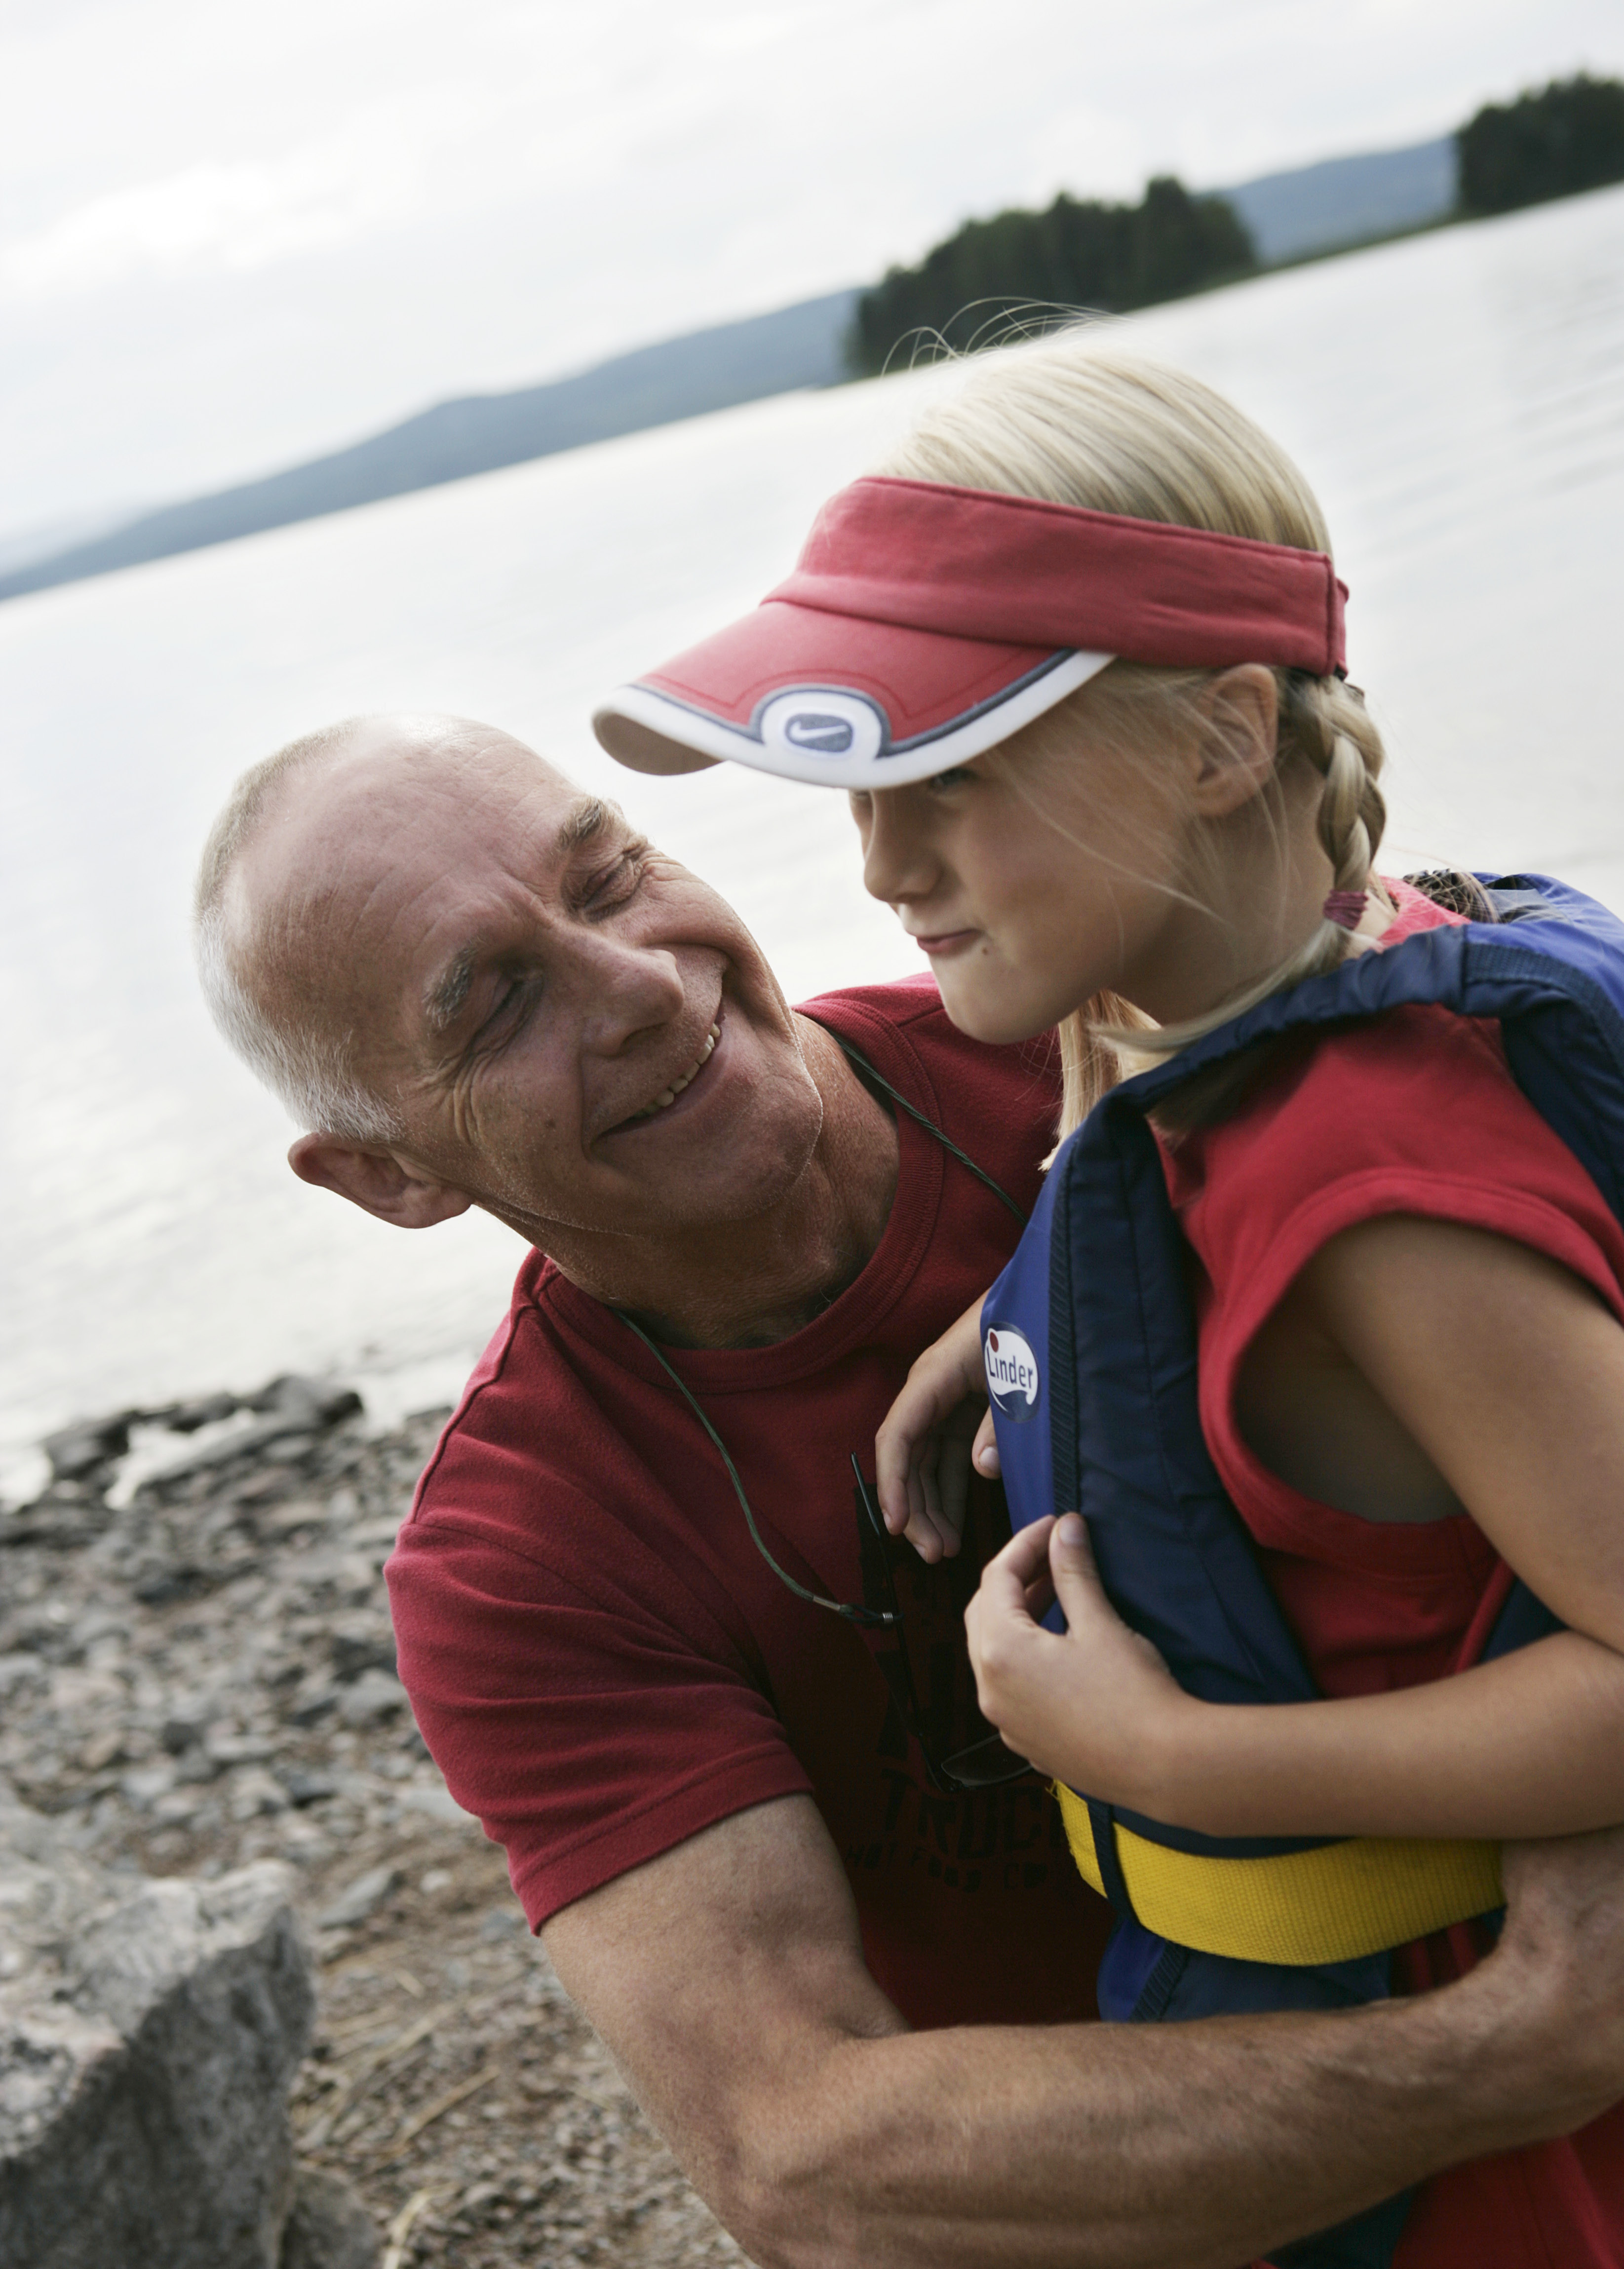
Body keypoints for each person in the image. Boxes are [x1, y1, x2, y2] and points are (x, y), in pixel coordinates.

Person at [194, 709, 1624, 2269]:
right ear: (387, 1174)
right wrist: (1516, 2048)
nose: (636, 984)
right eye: (492, 1006)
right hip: (1207, 2196)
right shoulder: (524, 1558)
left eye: (608, 880)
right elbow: (808, 2158)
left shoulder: (1103, 1032)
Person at [590, 342, 1624, 2261]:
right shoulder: (1179, 997)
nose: (883, 864)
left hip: (1492, 2165)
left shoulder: (1375, 1201)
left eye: (954, 775)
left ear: (1225, 740)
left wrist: (1180, 1761)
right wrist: (1010, 1314)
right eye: (862, 787)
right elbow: (1137, 1173)